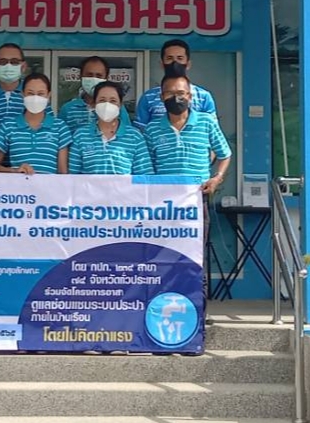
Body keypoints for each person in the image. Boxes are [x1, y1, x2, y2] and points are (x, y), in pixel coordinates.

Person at [144, 74, 232, 331]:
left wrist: (217, 178)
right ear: (162, 97)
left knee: (194, 260)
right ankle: (159, 314)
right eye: (171, 93)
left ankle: (196, 318)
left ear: (191, 96)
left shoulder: (205, 122)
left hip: (195, 203)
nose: (177, 98)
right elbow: (147, 166)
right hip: (163, 207)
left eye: (182, 93)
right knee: (162, 258)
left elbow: (225, 154)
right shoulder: (152, 129)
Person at [69, 81, 152, 175]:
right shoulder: (81, 136)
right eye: (102, 100)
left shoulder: (135, 137)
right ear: (94, 104)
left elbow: (145, 176)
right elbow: (72, 176)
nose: (107, 105)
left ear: (120, 105)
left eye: (113, 101)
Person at [0, 74, 72, 174]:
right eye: (30, 93)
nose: (35, 98)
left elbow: (63, 172)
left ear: (48, 95)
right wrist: (14, 170)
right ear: (23, 94)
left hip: (49, 184)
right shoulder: (8, 126)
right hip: (17, 184)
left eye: (41, 94)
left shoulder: (60, 127)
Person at [134, 39, 217, 130]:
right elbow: (140, 131)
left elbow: (212, 129)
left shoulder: (204, 97)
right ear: (162, 64)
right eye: (169, 58)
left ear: (188, 64)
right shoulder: (148, 97)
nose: (175, 62)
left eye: (180, 58)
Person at [58, 55, 130, 133]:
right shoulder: (68, 109)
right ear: (81, 76)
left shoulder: (116, 107)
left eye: (99, 76)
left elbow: (127, 133)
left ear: (106, 78)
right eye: (89, 75)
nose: (94, 79)